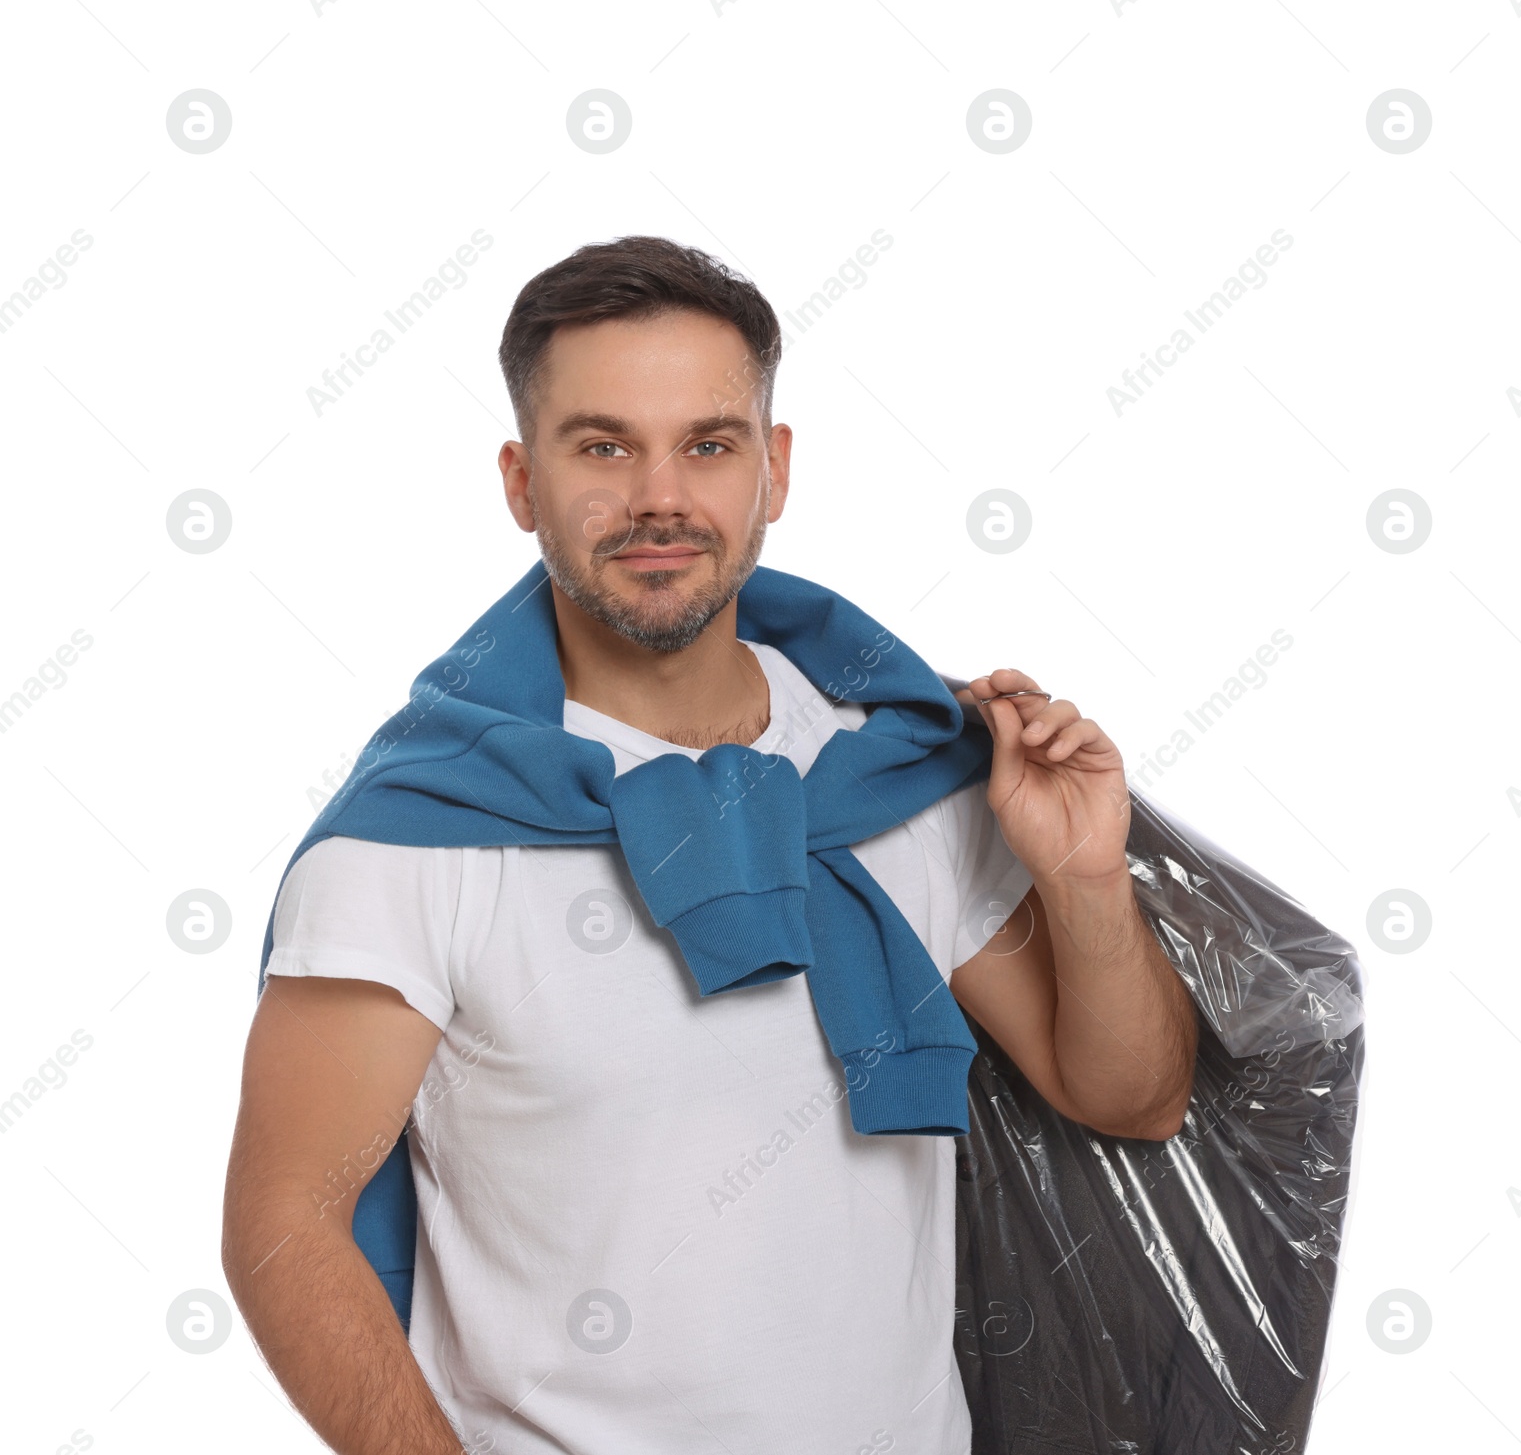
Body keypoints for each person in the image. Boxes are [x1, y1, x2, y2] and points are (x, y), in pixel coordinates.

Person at [220, 235, 1199, 1455]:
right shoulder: (420, 836)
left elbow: (1133, 1098)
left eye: (707, 444)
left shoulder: (894, 777)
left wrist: (1084, 878)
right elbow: (285, 1219)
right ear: (522, 482)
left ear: (773, 471)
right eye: (602, 446)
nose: (659, 498)